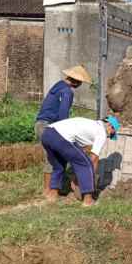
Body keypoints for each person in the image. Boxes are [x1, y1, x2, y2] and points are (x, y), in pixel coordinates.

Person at [35, 65, 92, 197]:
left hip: (40, 124)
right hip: (49, 127)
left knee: (50, 157)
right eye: (80, 82)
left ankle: (47, 190)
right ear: (76, 81)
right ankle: (53, 190)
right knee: (56, 158)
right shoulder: (67, 91)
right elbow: (63, 115)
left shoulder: (58, 85)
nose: (80, 85)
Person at [41, 115, 121, 206]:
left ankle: (52, 195)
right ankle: (88, 200)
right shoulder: (101, 132)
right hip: (61, 137)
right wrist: (88, 179)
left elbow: (76, 153)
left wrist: (77, 177)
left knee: (58, 165)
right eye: (112, 133)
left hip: (47, 134)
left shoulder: (90, 124)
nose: (109, 135)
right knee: (87, 164)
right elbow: (93, 158)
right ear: (110, 125)